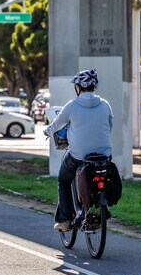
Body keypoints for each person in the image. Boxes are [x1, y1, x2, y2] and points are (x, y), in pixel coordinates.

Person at [43, 69, 113, 231]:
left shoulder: (72, 105)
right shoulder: (105, 105)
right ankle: (102, 204)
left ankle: (66, 219)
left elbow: (57, 123)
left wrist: (47, 132)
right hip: (104, 154)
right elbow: (109, 127)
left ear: (79, 87)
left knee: (63, 179)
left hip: (78, 155)